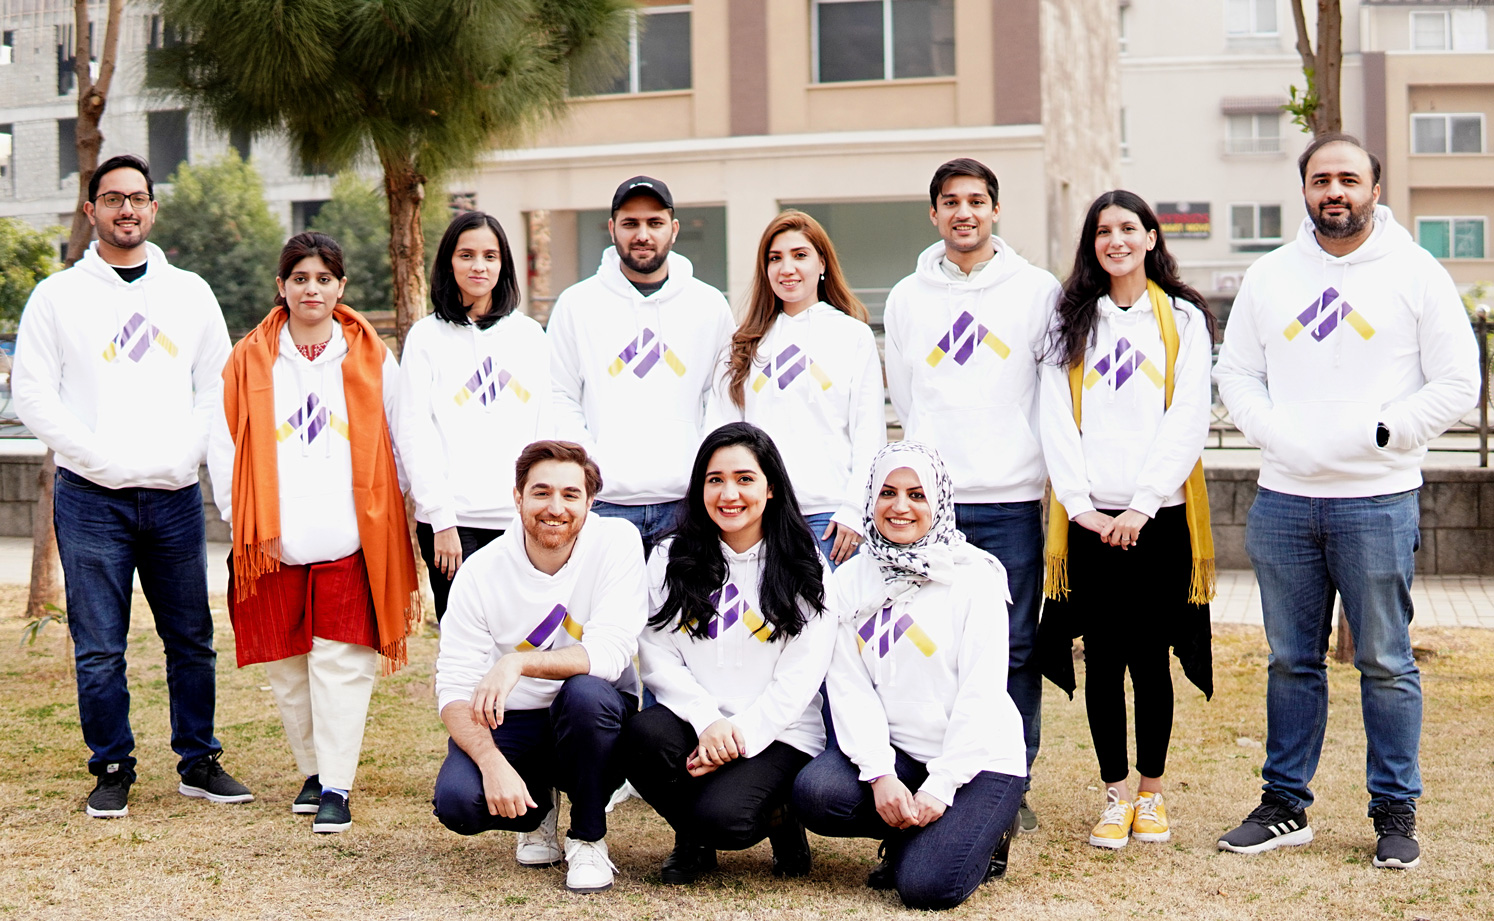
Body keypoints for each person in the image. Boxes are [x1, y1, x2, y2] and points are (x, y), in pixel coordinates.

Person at [1213, 134, 1480, 870]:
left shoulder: (1417, 272)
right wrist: (1277, 435)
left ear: (1375, 187)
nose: (1335, 190)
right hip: (1284, 501)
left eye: (1349, 179)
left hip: (1377, 498)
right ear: (1303, 188)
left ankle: (1394, 810)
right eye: (1321, 178)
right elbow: (1236, 372)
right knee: (1291, 660)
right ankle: (1284, 806)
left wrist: (1389, 430)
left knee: (1387, 661)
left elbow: (1460, 382)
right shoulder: (1270, 275)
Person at [11, 153, 250, 818]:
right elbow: (32, 394)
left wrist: (187, 458)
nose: (126, 209)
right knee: (99, 646)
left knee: (191, 637)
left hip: (173, 495)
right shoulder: (58, 296)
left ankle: (198, 759)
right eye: (112, 198)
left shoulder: (190, 293)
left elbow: (217, 387)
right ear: (90, 210)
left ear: (153, 208)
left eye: (137, 198)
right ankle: (112, 765)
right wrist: (99, 458)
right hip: (91, 497)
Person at [209, 231, 418, 833]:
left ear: (341, 287)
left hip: (351, 535)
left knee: (342, 662)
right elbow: (224, 445)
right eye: (300, 278)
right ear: (282, 287)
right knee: (288, 664)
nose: (312, 288)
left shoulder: (373, 356)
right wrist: (240, 519)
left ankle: (337, 785)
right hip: (274, 538)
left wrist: (391, 506)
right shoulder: (248, 358)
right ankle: (312, 768)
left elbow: (401, 437)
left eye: (324, 278)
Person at [881, 157, 1061, 830]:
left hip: (1011, 499)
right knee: (928, 644)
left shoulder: (1036, 290)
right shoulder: (907, 297)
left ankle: (1008, 783)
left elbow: (1050, 390)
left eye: (977, 200)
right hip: (930, 508)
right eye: (951, 201)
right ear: (933, 214)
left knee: (1013, 648)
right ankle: (930, 771)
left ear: (995, 210)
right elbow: (905, 393)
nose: (964, 212)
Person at [1035, 191, 1217, 849]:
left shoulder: (1185, 322)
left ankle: (1152, 794)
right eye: (1103, 230)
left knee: (1151, 659)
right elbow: (1054, 414)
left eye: (1128, 228)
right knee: (1103, 659)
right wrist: (1082, 506)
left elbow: (1187, 416)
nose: (1116, 239)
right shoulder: (1068, 322)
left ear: (1150, 237)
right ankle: (1114, 795)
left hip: (1159, 519)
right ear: (1092, 244)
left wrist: (1142, 502)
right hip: (1086, 522)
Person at [792, 442, 1027, 911]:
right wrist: (880, 774)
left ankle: (985, 830)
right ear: (870, 499)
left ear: (938, 502)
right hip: (900, 755)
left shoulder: (975, 577)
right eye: (888, 493)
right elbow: (850, 690)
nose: (900, 507)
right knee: (816, 794)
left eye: (917, 494)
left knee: (925, 888)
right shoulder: (849, 581)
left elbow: (981, 696)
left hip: (977, 759)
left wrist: (941, 787)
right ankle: (914, 828)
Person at [621, 423, 836, 883]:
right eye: (714, 479)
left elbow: (802, 677)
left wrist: (737, 733)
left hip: (779, 731)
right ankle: (691, 837)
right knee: (640, 738)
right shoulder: (669, 558)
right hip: (697, 721)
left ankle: (778, 816)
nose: (728, 493)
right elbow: (656, 653)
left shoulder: (806, 564)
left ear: (771, 487)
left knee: (728, 821)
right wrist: (708, 722)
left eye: (744, 478)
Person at [432, 440, 648, 893]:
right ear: (518, 497)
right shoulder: (481, 570)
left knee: (585, 695)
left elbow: (610, 654)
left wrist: (517, 663)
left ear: (591, 501)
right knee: (458, 802)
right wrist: (491, 762)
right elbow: (452, 688)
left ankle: (588, 838)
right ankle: (538, 811)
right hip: (518, 720)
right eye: (541, 492)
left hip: (596, 715)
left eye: (571, 495)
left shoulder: (617, 542)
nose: (555, 507)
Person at [548, 176, 735, 553]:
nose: (643, 235)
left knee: (685, 612)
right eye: (631, 223)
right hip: (604, 505)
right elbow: (558, 395)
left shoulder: (709, 305)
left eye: (655, 223)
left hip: (686, 505)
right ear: (612, 227)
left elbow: (723, 396)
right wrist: (590, 470)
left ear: (674, 229)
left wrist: (705, 474)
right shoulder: (577, 304)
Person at [396, 211, 551, 621]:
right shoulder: (426, 338)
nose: (478, 266)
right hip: (452, 523)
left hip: (518, 519)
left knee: (520, 638)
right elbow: (412, 431)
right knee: (464, 644)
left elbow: (543, 429)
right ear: (449, 262)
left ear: (503, 265)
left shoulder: (529, 336)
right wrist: (442, 521)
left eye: (490, 255)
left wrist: (535, 509)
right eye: (466, 255)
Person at [707, 211, 885, 567]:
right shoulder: (743, 343)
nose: (786, 268)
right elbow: (721, 433)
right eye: (775, 258)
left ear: (822, 262)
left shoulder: (852, 336)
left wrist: (854, 509)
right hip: (760, 517)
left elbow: (869, 433)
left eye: (799, 255)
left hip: (831, 521)